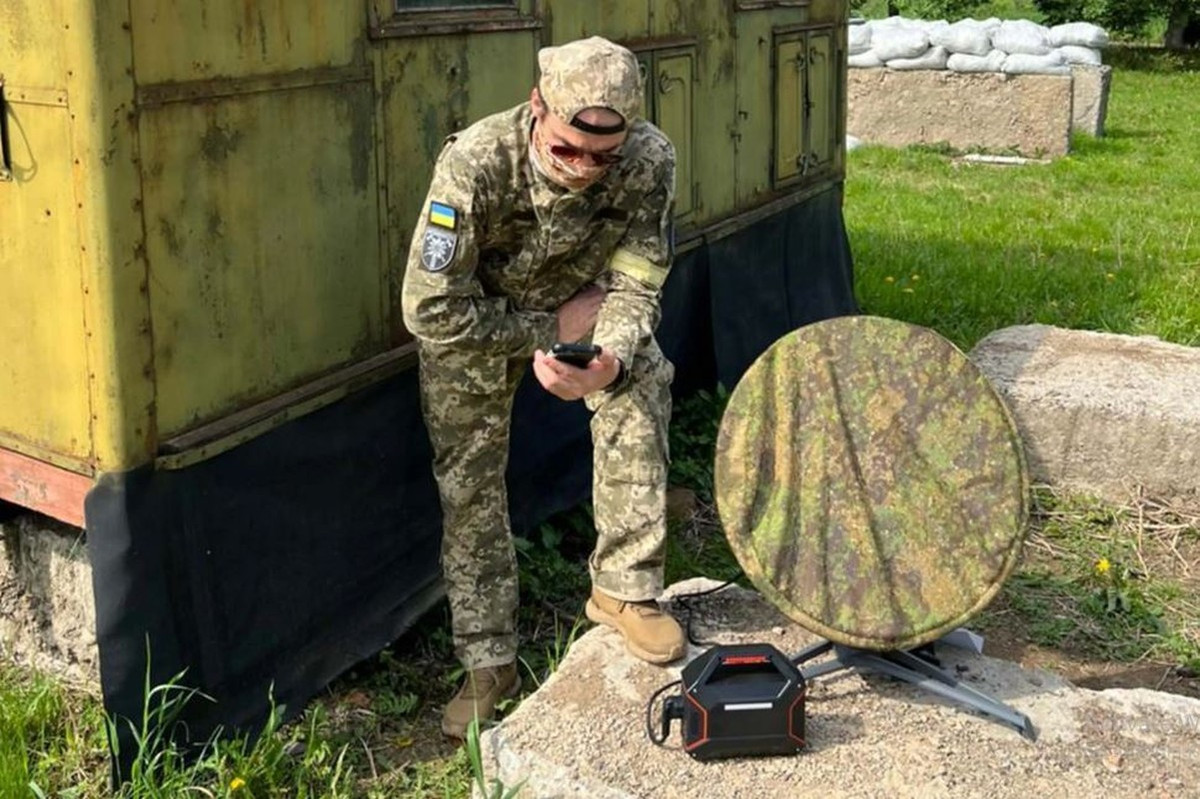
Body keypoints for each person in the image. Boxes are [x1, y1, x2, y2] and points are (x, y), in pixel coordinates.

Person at [401, 36, 685, 738]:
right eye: (567, 150)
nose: (585, 169)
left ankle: (625, 588)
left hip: (583, 313)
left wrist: (610, 355)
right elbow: (430, 308)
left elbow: (640, 276)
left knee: (644, 376)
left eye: (603, 156)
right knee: (468, 482)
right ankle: (489, 657)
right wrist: (543, 328)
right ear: (537, 110)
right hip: (479, 325)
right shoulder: (475, 163)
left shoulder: (650, 161)